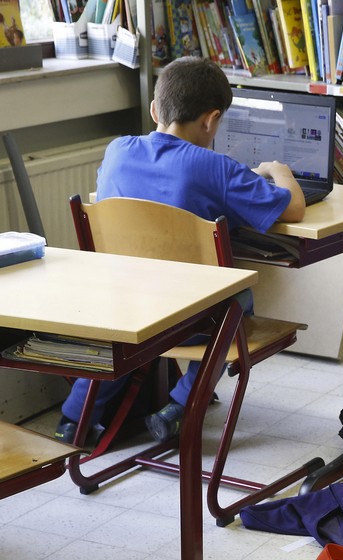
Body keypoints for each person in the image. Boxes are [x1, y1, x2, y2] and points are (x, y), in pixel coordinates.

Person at [55, 56, 306, 445]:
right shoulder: (217, 169)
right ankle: (180, 408)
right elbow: (293, 208)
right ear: (211, 120)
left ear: (155, 109)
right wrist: (278, 170)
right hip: (190, 322)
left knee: (125, 329)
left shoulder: (118, 150)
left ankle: (74, 418)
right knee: (238, 299)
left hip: (124, 312)